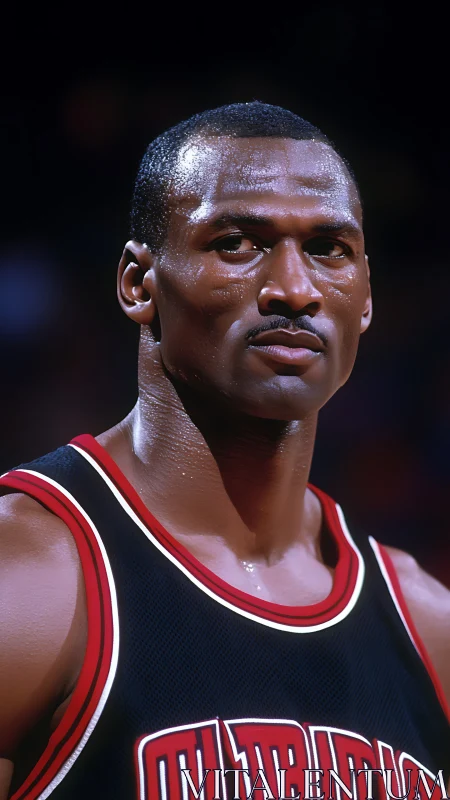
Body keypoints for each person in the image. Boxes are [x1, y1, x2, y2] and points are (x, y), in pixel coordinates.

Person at [0, 102, 449, 800]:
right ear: (138, 284)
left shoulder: (429, 628)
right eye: (238, 243)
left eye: (330, 248)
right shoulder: (28, 581)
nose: (294, 289)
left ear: (364, 297)